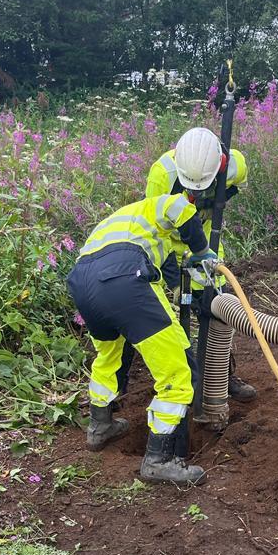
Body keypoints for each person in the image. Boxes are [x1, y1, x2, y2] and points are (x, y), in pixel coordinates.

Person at [66, 193, 216, 484]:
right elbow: (181, 208)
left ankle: (100, 426)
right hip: (124, 275)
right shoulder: (166, 204)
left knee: (110, 355)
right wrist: (202, 250)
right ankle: (159, 460)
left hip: (83, 281)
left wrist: (182, 287)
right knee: (178, 371)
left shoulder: (129, 221)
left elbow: (167, 266)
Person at [145, 127, 257, 403]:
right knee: (178, 318)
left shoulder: (235, 165)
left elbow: (239, 185)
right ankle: (184, 381)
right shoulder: (162, 174)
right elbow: (154, 230)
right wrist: (174, 281)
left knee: (219, 312)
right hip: (171, 247)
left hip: (206, 247)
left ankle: (221, 375)